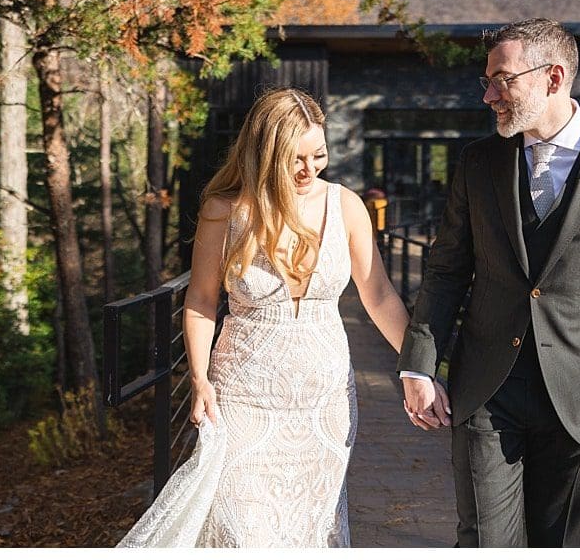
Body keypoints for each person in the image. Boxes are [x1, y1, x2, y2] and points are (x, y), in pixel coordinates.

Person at [400, 21, 580, 546]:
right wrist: (418, 366)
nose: (489, 95)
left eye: (502, 80)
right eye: (486, 81)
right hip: (488, 387)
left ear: (553, 78)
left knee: (561, 546)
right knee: (485, 541)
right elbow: (445, 271)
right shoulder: (477, 162)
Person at [120, 89, 412, 547]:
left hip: (325, 405)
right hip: (243, 399)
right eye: (294, 158)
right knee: (244, 534)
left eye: (319, 154)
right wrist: (199, 380)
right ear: (263, 153)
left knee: (312, 531)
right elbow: (200, 299)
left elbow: (377, 295)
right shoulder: (225, 210)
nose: (309, 169)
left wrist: (420, 364)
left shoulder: (347, 206)